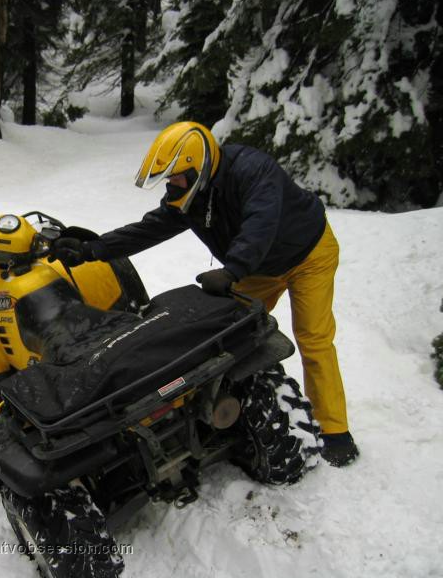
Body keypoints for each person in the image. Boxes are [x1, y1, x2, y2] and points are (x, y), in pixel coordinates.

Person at [50, 121, 359, 468]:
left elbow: (261, 224)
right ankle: (222, 406)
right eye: (168, 180)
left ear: (199, 166)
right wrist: (93, 249)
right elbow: (148, 230)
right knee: (224, 334)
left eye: (177, 177)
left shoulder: (253, 171)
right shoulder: (190, 196)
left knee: (313, 339)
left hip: (307, 255)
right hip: (256, 268)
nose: (171, 185)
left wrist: (232, 270)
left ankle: (335, 432)